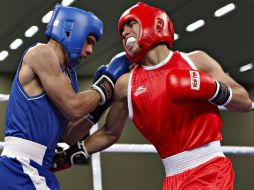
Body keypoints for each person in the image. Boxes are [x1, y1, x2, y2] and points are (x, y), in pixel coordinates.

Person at [53, 2, 252, 190]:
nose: (125, 32)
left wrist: (213, 89)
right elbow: (109, 133)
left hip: (210, 169)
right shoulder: (126, 84)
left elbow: (244, 101)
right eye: (122, 30)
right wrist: (69, 156)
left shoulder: (196, 62)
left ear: (156, 24)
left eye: (131, 24)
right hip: (173, 177)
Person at [0, 4, 132, 189]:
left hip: (40, 167)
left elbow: (69, 135)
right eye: (89, 41)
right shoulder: (41, 53)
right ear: (72, 30)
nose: (89, 51)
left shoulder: (69, 76)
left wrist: (100, 105)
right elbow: (74, 107)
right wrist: (107, 82)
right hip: (20, 166)